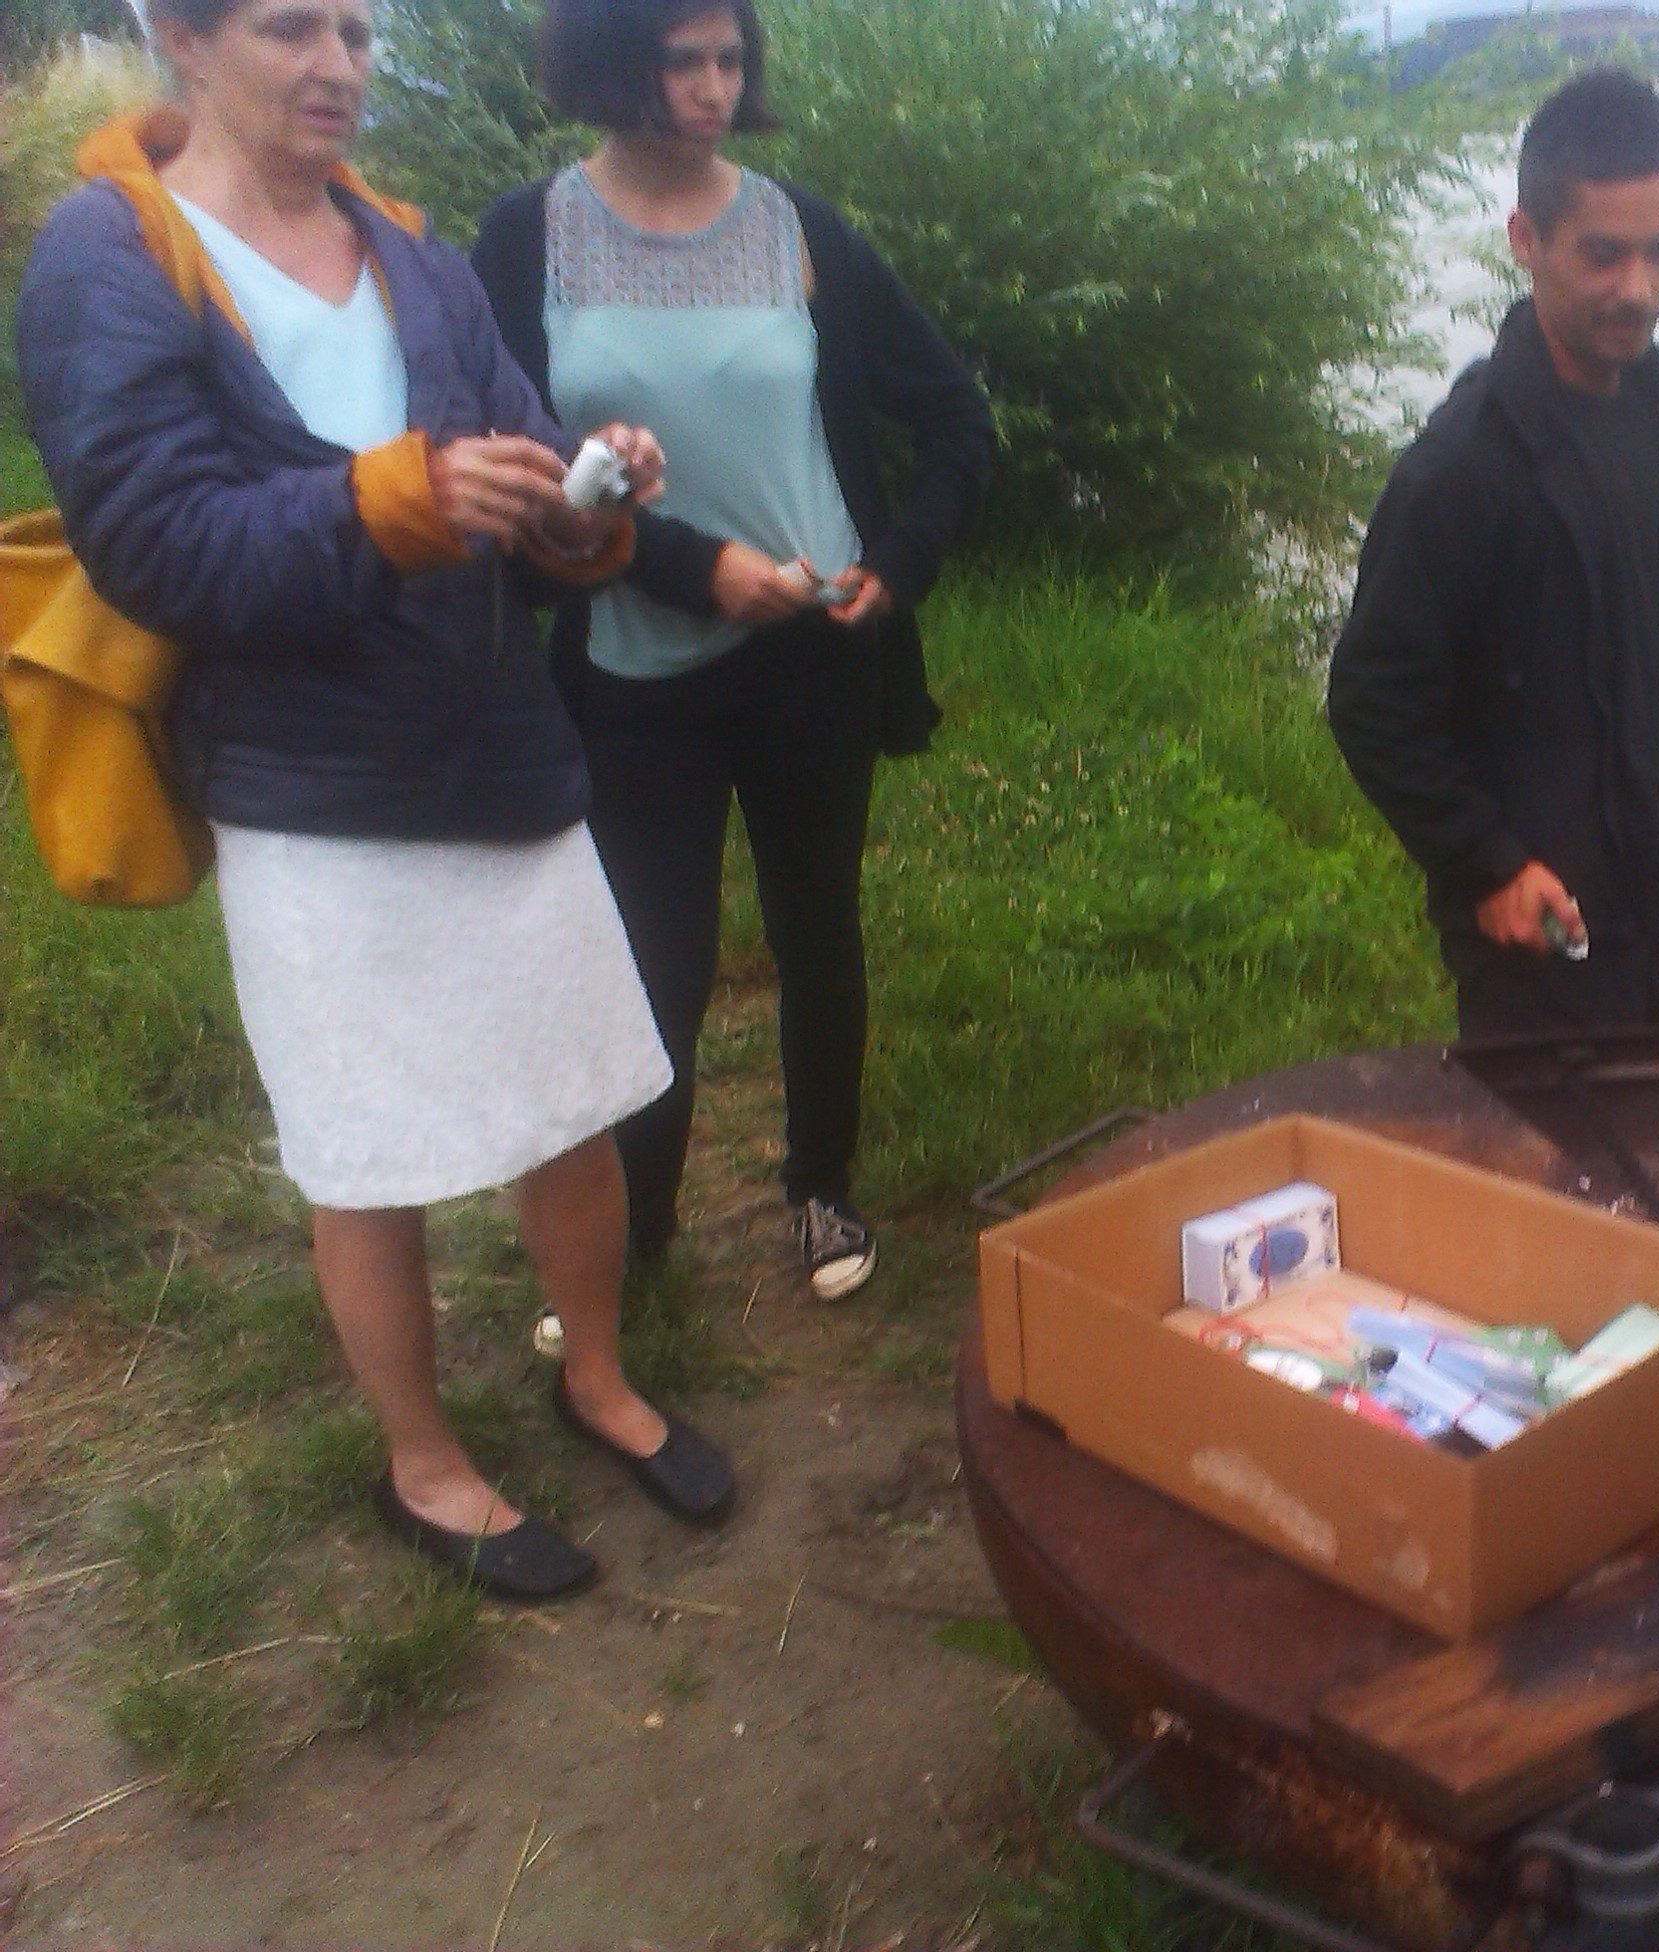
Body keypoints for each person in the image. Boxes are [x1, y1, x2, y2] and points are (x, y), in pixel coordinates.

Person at [16, 0, 736, 1602]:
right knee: (371, 1151)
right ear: (180, 42)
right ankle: (424, 1464)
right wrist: (401, 496)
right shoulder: (109, 256)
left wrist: (577, 501)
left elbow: (514, 455)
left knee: (575, 1097)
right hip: (311, 791)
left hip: (498, 753)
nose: (341, 63)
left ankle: (598, 1377)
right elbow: (159, 543)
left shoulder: (410, 251)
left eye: (356, 29)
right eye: (293, 28)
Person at [471, 0, 994, 1300]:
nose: (711, 87)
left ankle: (821, 1192)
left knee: (819, 929)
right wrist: (694, 568)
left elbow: (958, 425)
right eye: (678, 60)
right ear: (607, 63)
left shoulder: (801, 230)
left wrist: (896, 566)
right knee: (659, 964)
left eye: (728, 59)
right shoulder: (527, 236)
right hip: (634, 661)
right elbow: (524, 473)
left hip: (815, 648)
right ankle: (637, 1238)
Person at [1326, 69, 1659, 1041]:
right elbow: (1373, 699)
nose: (1640, 287)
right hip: (1541, 933)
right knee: (1550, 1189)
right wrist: (1484, 862)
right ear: (1526, 241)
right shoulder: (1461, 472)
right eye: (1605, 255)